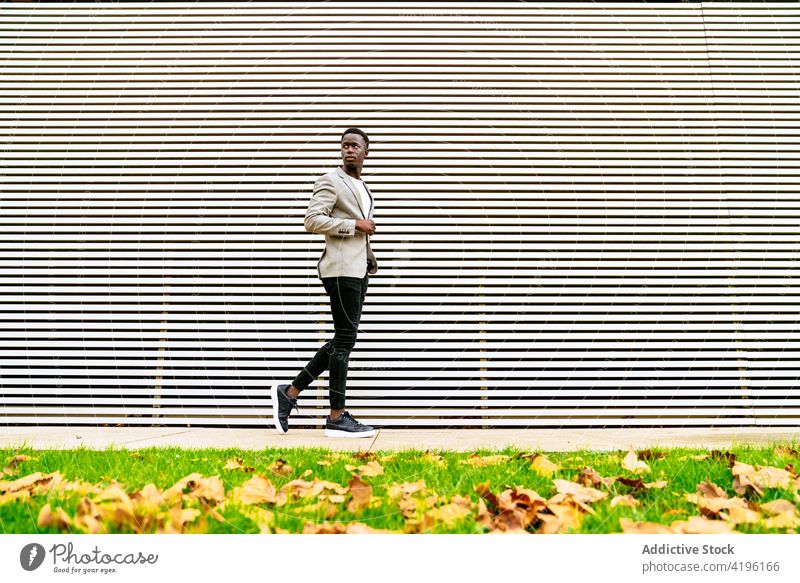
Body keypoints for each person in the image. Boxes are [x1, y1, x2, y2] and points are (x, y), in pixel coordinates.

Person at [271, 128, 378, 438]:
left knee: (342, 339)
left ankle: (290, 393)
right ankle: (336, 415)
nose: (349, 150)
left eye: (355, 146)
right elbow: (312, 220)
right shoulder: (331, 180)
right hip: (339, 270)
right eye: (345, 145)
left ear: (366, 152)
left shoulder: (362, 186)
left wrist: (368, 254)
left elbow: (358, 230)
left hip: (356, 269)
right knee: (345, 339)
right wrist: (354, 224)